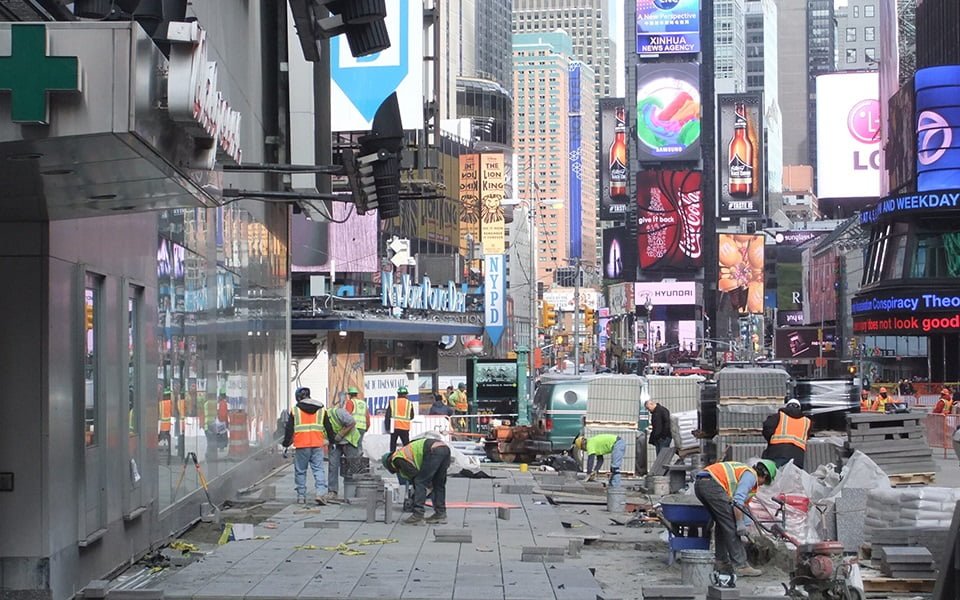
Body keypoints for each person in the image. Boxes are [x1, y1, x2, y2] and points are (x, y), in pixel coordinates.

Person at [694, 460, 777, 578]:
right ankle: (741, 565)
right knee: (730, 524)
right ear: (764, 475)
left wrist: (745, 523)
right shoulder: (750, 476)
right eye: (765, 481)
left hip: (702, 484)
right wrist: (739, 523)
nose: (762, 485)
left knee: (722, 523)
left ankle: (721, 562)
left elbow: (742, 506)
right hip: (712, 485)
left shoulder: (744, 473)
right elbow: (738, 501)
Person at [381, 437, 451, 525]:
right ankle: (440, 514)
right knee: (438, 484)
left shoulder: (397, 459)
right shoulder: (403, 452)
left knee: (420, 482)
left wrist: (416, 494)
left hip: (433, 451)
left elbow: (415, 475)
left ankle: (418, 515)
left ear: (389, 463)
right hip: (444, 449)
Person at [281, 387, 329, 505]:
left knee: (301, 471)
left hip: (302, 445)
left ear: (298, 397)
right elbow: (329, 427)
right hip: (317, 445)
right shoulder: (321, 409)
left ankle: (301, 496)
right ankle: (320, 493)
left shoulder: (295, 410)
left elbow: (289, 429)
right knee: (318, 469)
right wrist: (332, 440)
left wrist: (286, 443)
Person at [323, 400, 360, 503]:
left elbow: (352, 422)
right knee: (333, 465)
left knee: (352, 465)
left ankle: (355, 490)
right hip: (335, 442)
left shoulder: (338, 413)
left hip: (349, 440)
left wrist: (340, 435)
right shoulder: (320, 422)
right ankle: (332, 491)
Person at [761, 398, 812, 469]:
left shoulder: (779, 416)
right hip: (798, 458)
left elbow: (767, 427)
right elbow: (807, 437)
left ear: (787, 406)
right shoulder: (807, 422)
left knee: (776, 477)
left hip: (778, 453)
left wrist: (771, 439)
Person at [384, 386, 415, 453]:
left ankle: (391, 459)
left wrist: (387, 427)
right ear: (406, 394)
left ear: (398, 394)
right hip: (405, 428)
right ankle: (407, 459)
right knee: (406, 446)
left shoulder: (392, 402)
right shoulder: (409, 403)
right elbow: (412, 416)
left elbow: (388, 415)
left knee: (393, 445)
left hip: (394, 427)